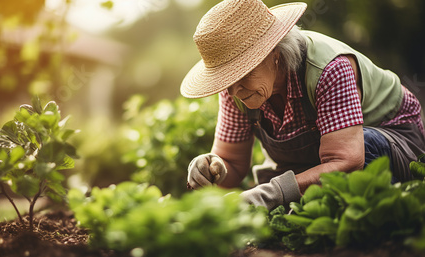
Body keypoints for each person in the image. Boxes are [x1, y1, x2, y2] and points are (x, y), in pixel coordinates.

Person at [181, 0, 425, 210]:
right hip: (323, 157)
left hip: (397, 143)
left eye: (242, 74)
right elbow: (231, 163)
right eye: (226, 80)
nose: (233, 90)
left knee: (364, 147)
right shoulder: (236, 90)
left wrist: (271, 194)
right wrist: (212, 167)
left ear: (274, 53)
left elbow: (347, 162)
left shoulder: (329, 69)